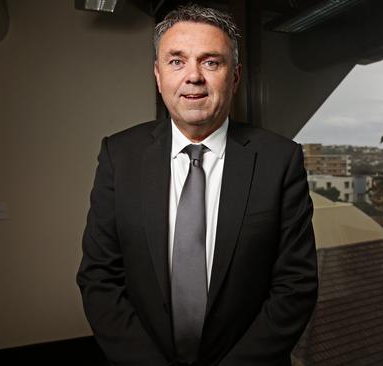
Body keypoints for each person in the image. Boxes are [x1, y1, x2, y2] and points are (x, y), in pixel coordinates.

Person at [76, 4, 318, 366]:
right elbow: (99, 278)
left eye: (210, 62)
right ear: (158, 76)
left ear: (234, 78)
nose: (193, 76)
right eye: (176, 61)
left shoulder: (280, 160)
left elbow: (295, 286)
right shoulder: (119, 155)